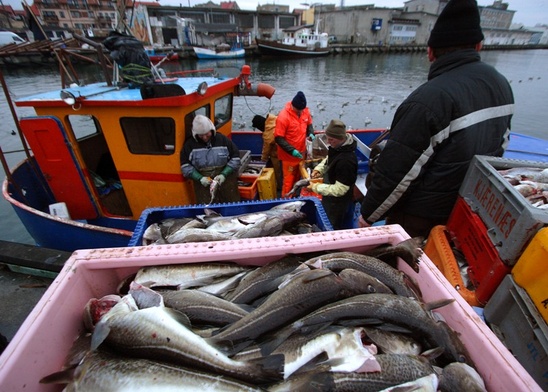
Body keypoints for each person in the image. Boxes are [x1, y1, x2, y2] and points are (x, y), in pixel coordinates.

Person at [358, 0, 514, 238]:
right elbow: (499, 149)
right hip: (465, 209)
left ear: (430, 52)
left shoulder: (428, 100)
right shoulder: (502, 84)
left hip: (420, 219)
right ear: (479, 46)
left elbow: (397, 172)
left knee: (409, 268)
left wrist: (368, 215)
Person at [307, 119, 358, 230]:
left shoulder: (346, 161)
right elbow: (329, 159)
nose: (328, 142)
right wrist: (318, 169)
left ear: (341, 139)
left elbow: (341, 189)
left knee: (334, 226)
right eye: (327, 138)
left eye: (331, 139)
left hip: (338, 204)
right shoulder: (338, 148)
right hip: (330, 197)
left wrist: (315, 187)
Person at [180, 114, 241, 204]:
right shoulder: (189, 145)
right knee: (206, 208)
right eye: (201, 135)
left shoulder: (223, 140)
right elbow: (185, 166)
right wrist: (199, 178)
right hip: (203, 184)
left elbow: (236, 158)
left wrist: (224, 174)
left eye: (207, 134)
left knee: (232, 203)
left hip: (226, 180)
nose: (204, 137)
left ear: (212, 130)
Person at [275, 91, 315, 197]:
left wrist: (311, 133)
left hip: (302, 154)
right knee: (288, 182)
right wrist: (292, 150)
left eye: (302, 110)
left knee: (298, 180)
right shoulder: (283, 117)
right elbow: (278, 138)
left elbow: (309, 124)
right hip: (288, 157)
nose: (301, 112)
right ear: (293, 105)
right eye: (299, 110)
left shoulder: (305, 111)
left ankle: (295, 198)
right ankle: (286, 203)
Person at [252, 113, 282, 191]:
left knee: (277, 171)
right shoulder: (273, 118)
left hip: (278, 153)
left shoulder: (268, 134)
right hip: (288, 147)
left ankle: (280, 187)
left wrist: (262, 160)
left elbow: (266, 150)